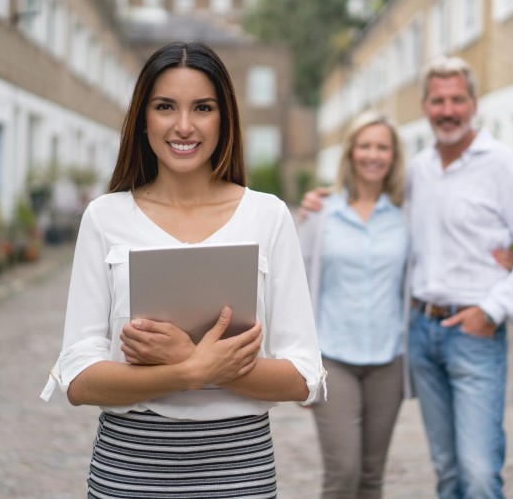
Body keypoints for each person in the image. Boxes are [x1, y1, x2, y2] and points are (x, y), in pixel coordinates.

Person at [41, 40, 325, 498]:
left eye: (203, 108)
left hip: (240, 470)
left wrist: (194, 361)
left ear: (224, 118)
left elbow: (302, 376)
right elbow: (78, 379)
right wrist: (189, 371)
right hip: (130, 469)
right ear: (143, 119)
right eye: (165, 106)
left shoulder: (268, 216)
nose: (184, 125)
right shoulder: (105, 217)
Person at [301, 56, 513, 499]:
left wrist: (495, 307)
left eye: (457, 99)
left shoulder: (502, 164)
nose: (447, 110)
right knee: (445, 470)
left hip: (474, 334)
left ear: (474, 104)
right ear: (424, 107)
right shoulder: (417, 173)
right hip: (419, 333)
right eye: (438, 100)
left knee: (478, 473)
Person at [298, 111, 409, 499]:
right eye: (365, 145)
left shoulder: (404, 214)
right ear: (350, 153)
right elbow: (296, 285)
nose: (373, 155)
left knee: (371, 476)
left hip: (388, 361)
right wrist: (300, 364)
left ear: (394, 156)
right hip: (334, 361)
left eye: (382, 147)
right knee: (343, 474)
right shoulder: (320, 213)